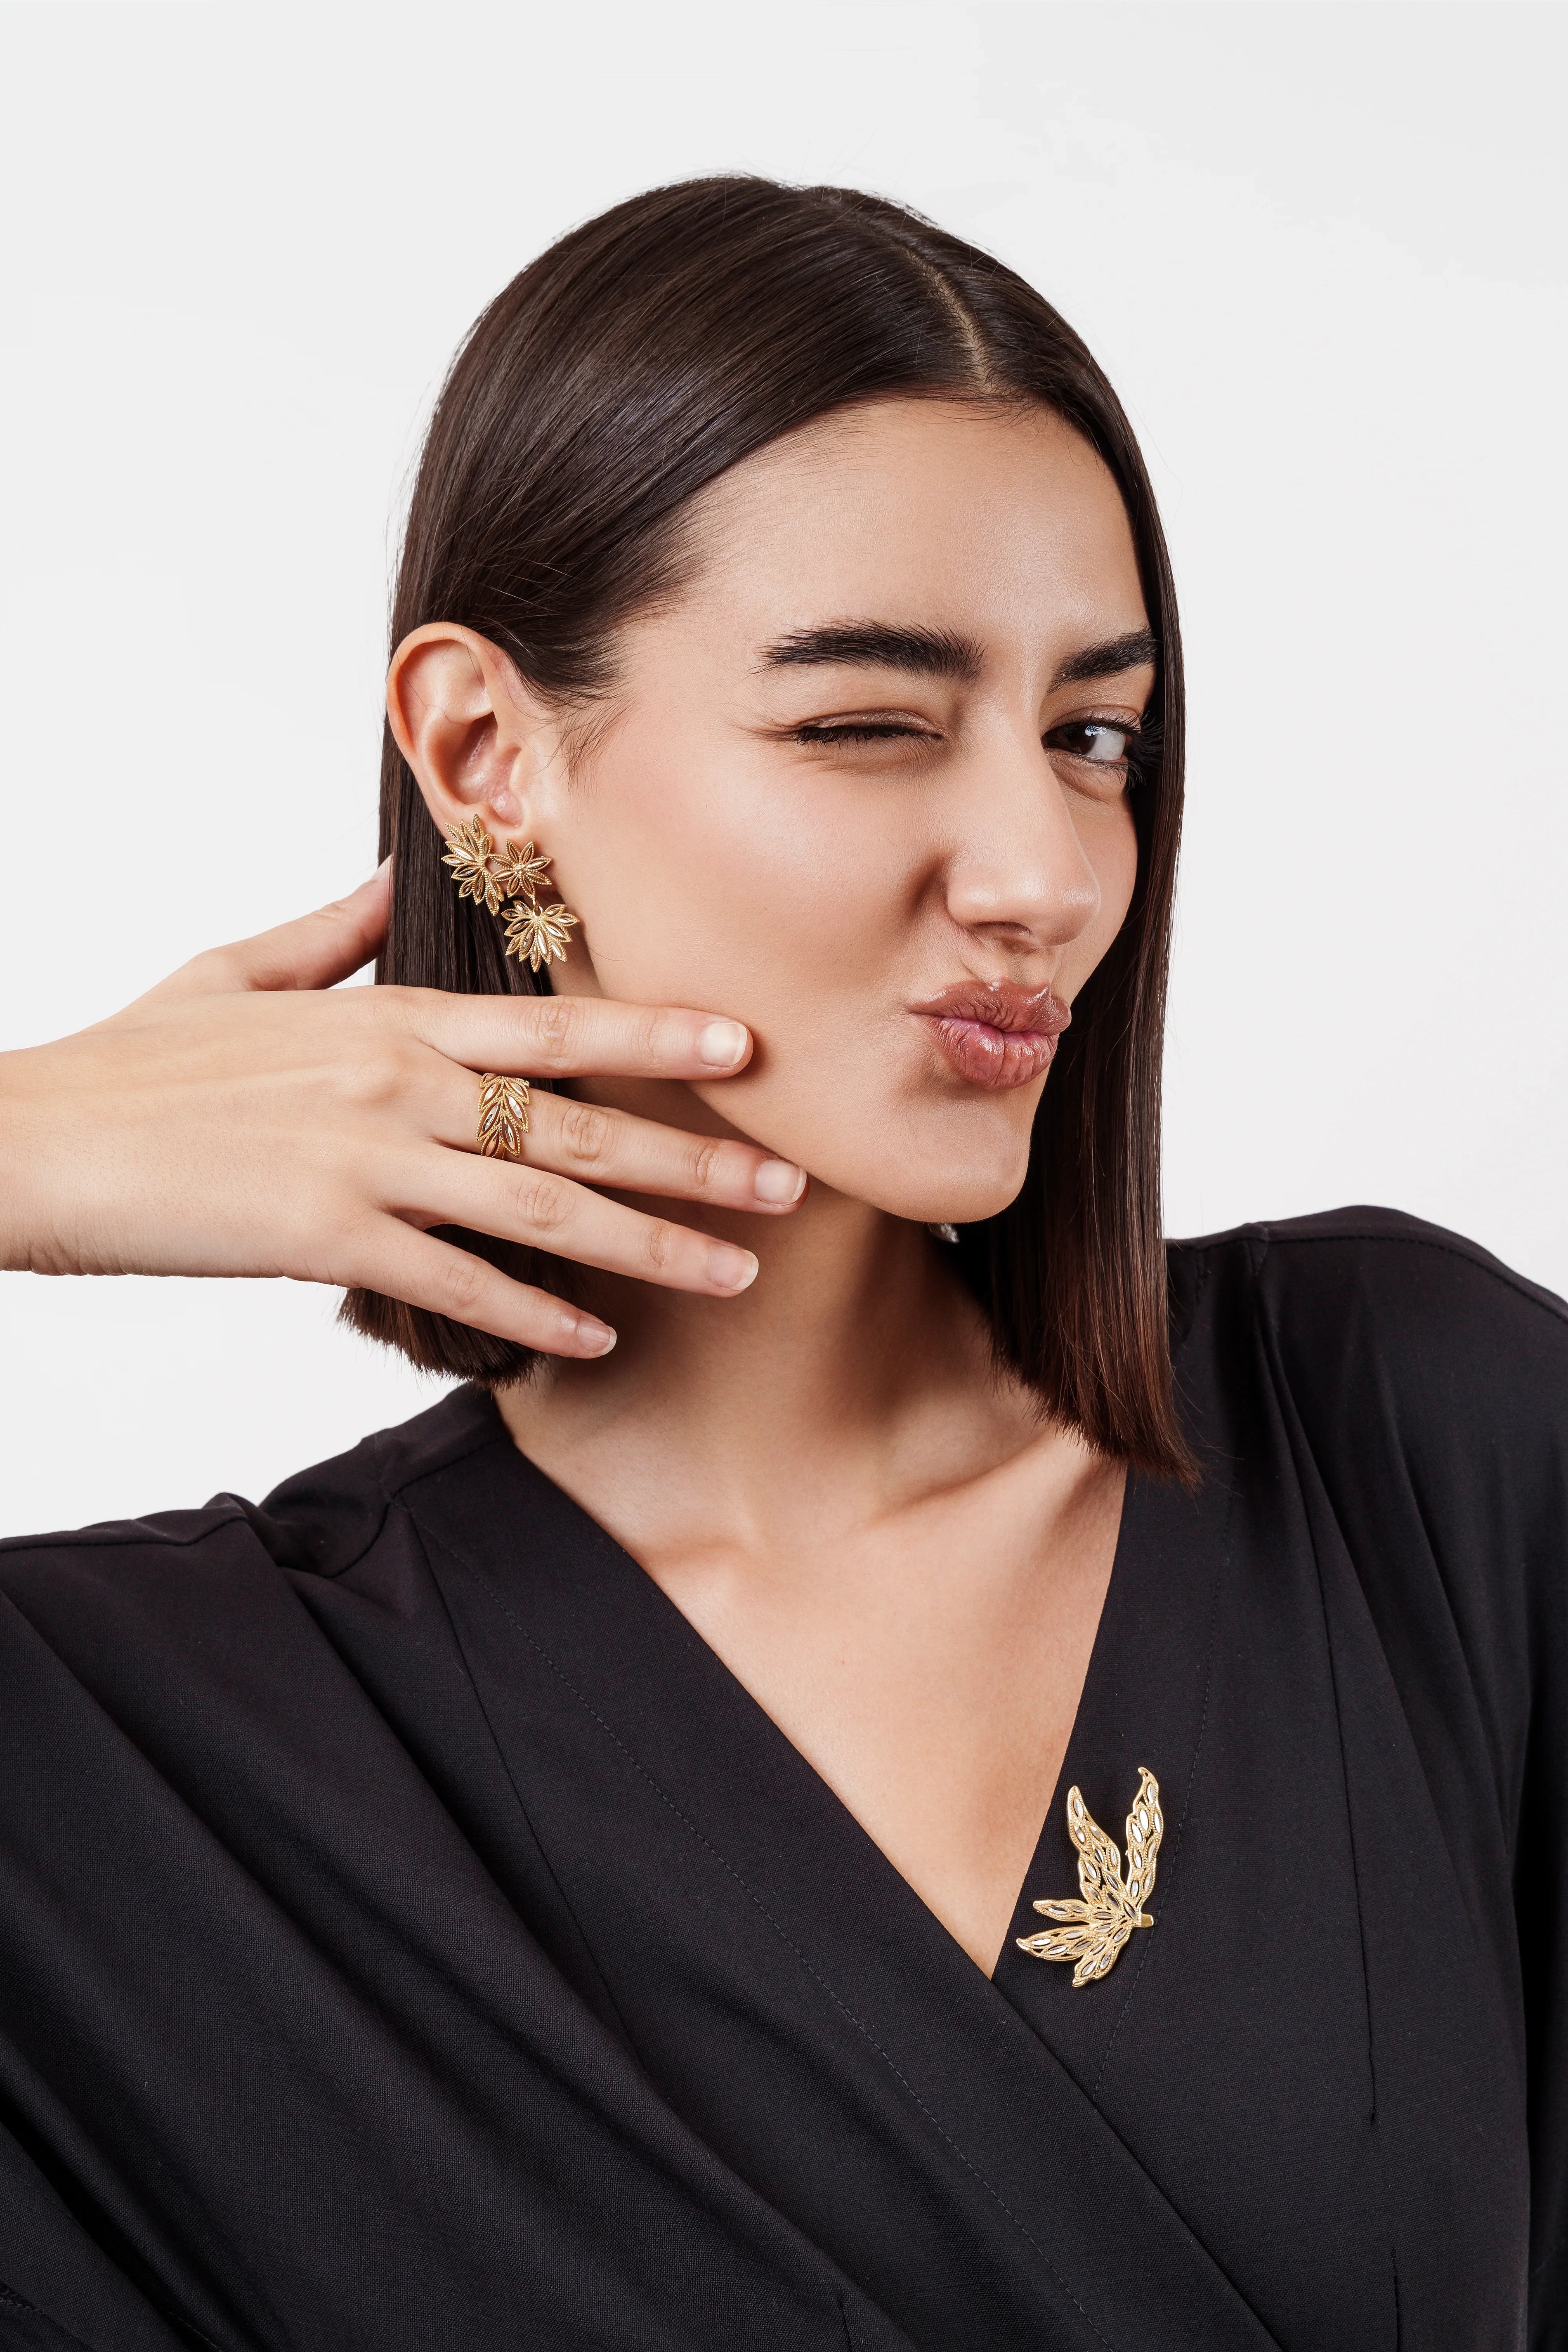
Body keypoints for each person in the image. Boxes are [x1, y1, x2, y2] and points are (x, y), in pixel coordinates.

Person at [0, 176, 1561, 2352]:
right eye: (867, 722)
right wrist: (25, 1144)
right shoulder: (128, 1749)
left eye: (1090, 734)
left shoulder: (1402, 1439)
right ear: (483, 760)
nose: (1041, 869)